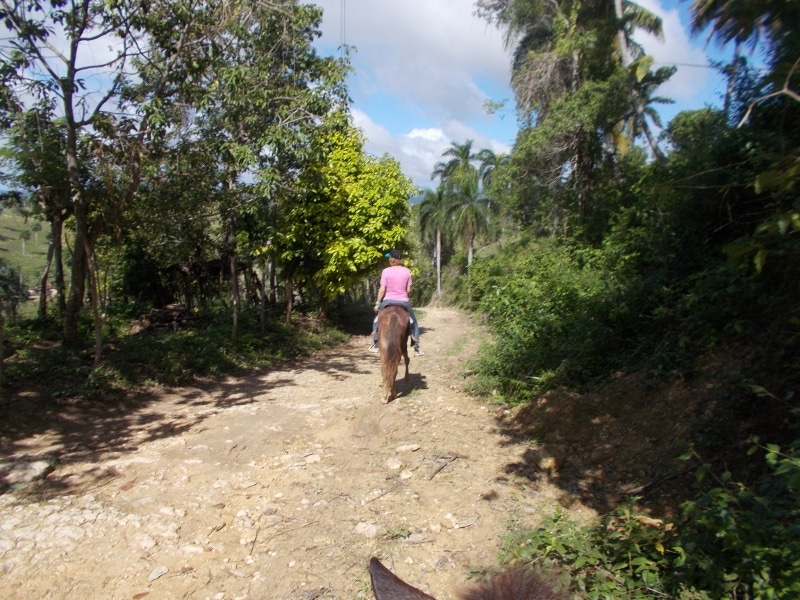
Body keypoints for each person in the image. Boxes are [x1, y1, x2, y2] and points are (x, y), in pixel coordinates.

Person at [369, 249, 424, 356]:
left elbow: (382, 289)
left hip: (387, 301)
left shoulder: (385, 271)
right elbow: (408, 290)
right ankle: (416, 347)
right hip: (403, 302)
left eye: (389, 258)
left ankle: (376, 343)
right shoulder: (407, 271)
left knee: (376, 320)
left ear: (391, 259)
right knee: (414, 323)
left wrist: (377, 303)